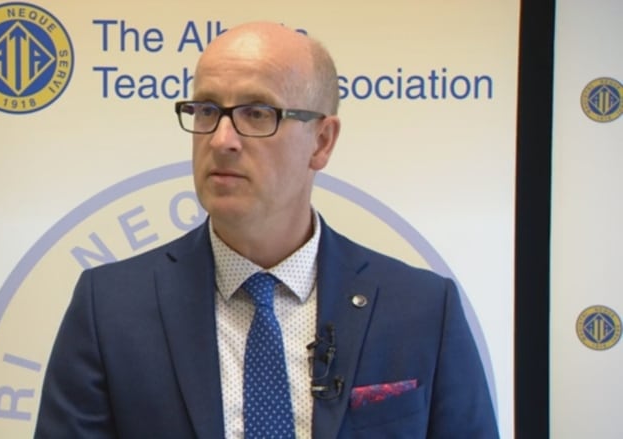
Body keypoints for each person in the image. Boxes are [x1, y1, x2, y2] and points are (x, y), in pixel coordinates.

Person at [35, 21, 499, 438]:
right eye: (206, 110)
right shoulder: (110, 309)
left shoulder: (423, 310)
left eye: (257, 113)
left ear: (321, 141)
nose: (221, 139)